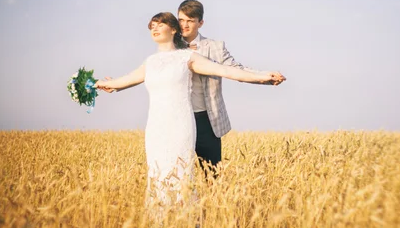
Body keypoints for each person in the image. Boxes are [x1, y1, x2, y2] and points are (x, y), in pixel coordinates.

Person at [95, 12, 285, 202]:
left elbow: (226, 70)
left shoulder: (188, 57)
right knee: (158, 173)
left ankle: (185, 222)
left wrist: (263, 76)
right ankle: (159, 224)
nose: (154, 28)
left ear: (174, 29)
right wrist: (91, 84)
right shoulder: (150, 62)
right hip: (155, 128)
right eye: (152, 25)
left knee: (180, 173)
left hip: (181, 125)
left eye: (160, 24)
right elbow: (122, 81)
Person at [178, 0, 285, 177]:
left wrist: (265, 77)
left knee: (213, 176)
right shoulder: (170, 47)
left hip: (207, 119)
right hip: (180, 118)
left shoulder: (215, 47)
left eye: (190, 20)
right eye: (181, 20)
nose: (185, 25)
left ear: (200, 23)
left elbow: (236, 70)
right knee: (179, 175)